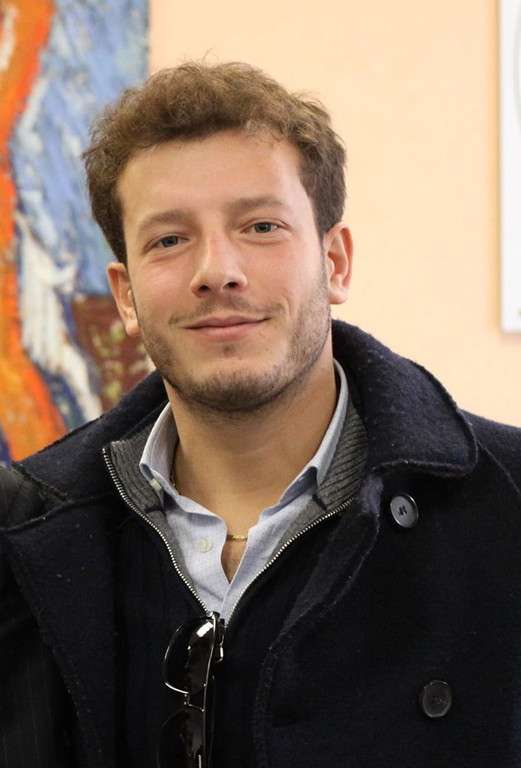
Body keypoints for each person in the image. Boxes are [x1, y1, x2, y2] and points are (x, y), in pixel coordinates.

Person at [2, 61, 521, 768]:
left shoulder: (508, 506)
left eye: (261, 226)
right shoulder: (23, 536)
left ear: (335, 262)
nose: (217, 271)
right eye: (169, 239)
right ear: (125, 296)